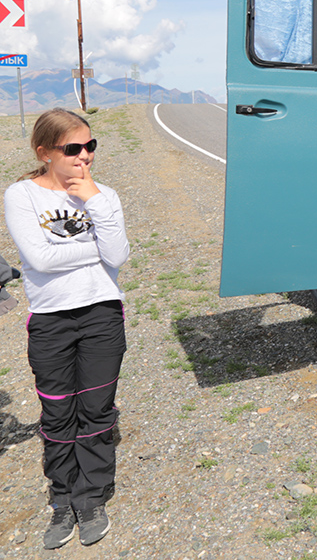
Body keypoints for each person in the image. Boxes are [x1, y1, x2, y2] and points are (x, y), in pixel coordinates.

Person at [4, 108, 129, 549]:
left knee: (96, 410)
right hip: (52, 321)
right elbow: (39, 260)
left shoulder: (103, 195)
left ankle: (91, 497)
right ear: (45, 152)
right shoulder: (21, 195)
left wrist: (94, 200)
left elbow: (119, 254)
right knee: (58, 413)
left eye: (90, 146)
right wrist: (95, 250)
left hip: (101, 315)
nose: (84, 157)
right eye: (72, 149)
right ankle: (62, 499)